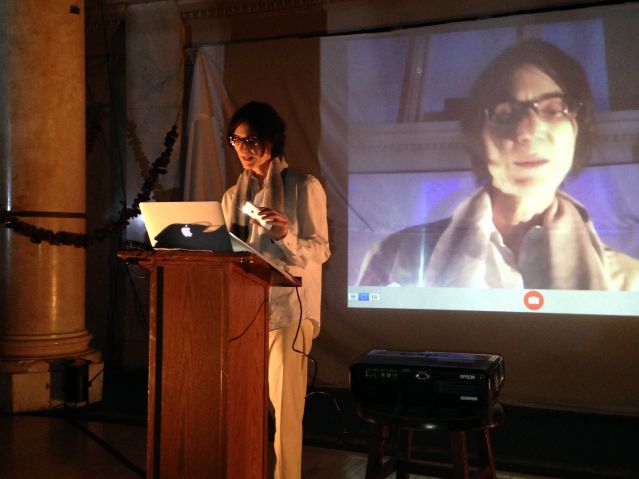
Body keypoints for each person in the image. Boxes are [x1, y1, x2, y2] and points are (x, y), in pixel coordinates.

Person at [358, 38, 639, 290]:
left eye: (554, 109)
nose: (528, 131)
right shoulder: (396, 256)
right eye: (504, 114)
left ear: (578, 131)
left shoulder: (628, 283)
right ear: (477, 138)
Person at [221, 101, 331, 478]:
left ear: (270, 141)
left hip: (289, 311)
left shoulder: (303, 186)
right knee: (243, 407)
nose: (243, 148)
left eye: (250, 140)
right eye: (236, 140)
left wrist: (286, 235)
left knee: (285, 412)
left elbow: (320, 251)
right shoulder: (232, 197)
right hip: (245, 313)